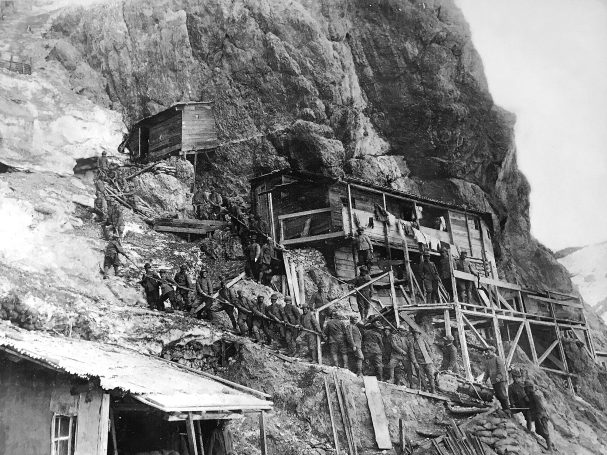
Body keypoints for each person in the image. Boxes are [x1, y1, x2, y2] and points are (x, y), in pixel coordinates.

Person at [524, 381, 553, 451]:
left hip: (541, 416)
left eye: (526, 388)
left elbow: (540, 407)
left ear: (530, 388)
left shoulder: (535, 396)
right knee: (538, 431)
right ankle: (551, 445)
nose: (525, 390)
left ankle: (550, 448)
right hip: (537, 415)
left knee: (545, 432)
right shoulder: (530, 397)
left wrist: (540, 415)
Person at [482, 346, 510, 413]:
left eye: (488, 352)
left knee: (502, 395)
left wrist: (498, 378)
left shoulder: (497, 358)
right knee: (498, 395)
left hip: (500, 380)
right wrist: (483, 380)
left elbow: (501, 370)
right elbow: (487, 372)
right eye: (486, 352)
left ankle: (507, 409)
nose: (487, 353)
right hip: (494, 381)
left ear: (493, 351)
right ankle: (503, 409)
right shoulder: (488, 361)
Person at [408, 327, 436, 393]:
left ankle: (433, 389)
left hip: (427, 361)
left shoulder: (423, 340)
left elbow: (428, 349)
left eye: (417, 334)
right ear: (413, 334)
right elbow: (412, 354)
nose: (416, 335)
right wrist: (415, 363)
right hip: (419, 362)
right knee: (421, 376)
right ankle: (426, 389)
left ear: (419, 334)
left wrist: (431, 358)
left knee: (431, 376)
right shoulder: (412, 342)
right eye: (414, 334)